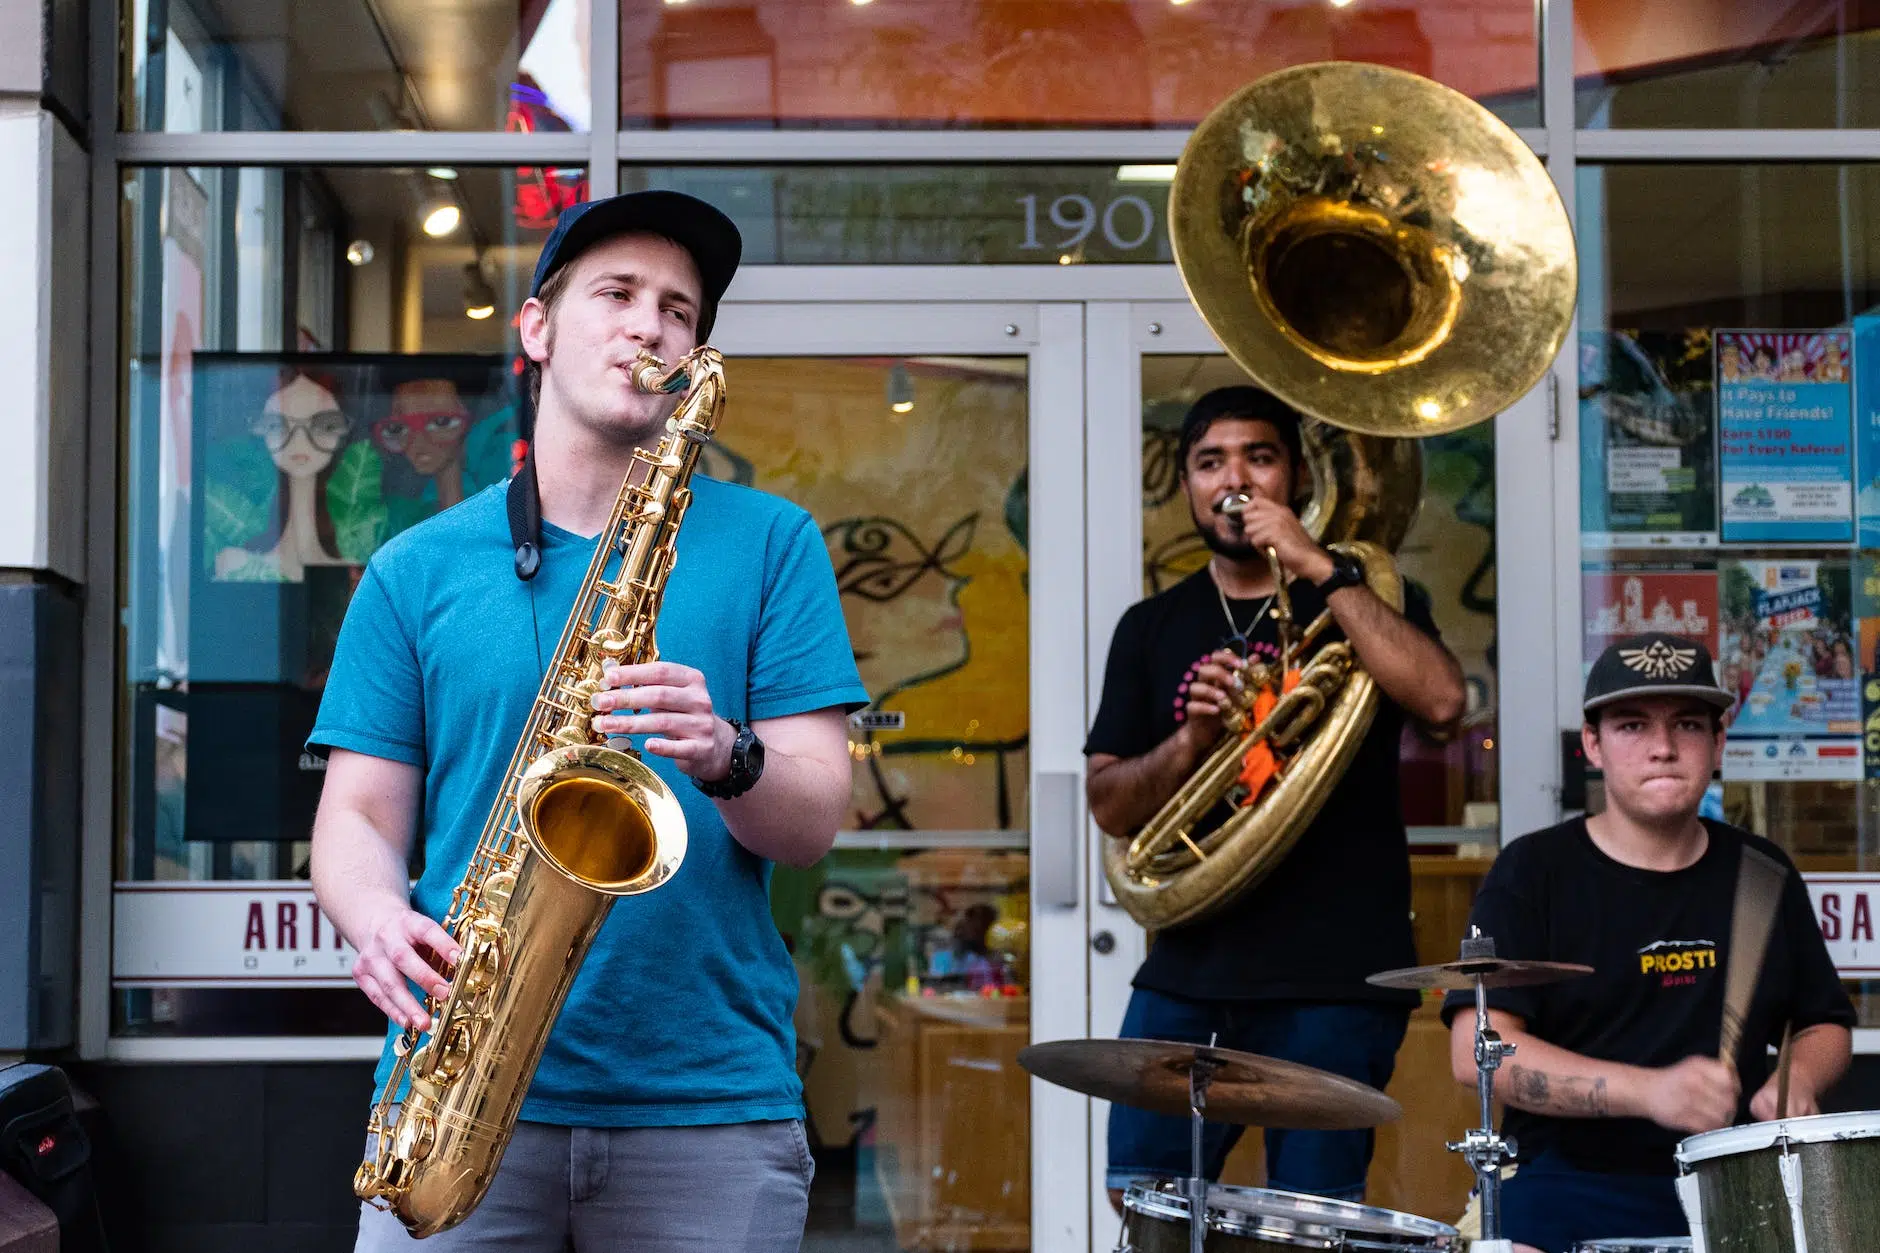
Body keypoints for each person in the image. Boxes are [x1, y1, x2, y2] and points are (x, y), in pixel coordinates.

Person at [308, 189, 868, 1252]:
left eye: (676, 308)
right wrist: (377, 920)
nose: (648, 324)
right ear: (535, 327)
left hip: (708, 1105)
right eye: (616, 293)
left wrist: (729, 754)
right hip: (455, 1092)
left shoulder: (773, 543)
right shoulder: (413, 567)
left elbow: (812, 819)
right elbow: (358, 818)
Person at [1085, 385, 1467, 1207]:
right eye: (1210, 460)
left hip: (1335, 973)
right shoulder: (1151, 627)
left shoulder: (1363, 592)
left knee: (1314, 1216)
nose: (1235, 479)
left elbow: (1442, 703)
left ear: (1292, 476)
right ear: (1186, 484)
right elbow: (1111, 808)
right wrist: (1193, 741)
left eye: (1259, 457)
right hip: (1191, 968)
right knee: (1142, 1199)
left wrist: (1321, 566)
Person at [1442, 633, 1855, 1253]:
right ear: (1592, 745)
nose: (1663, 748)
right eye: (1632, 725)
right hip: (1562, 1182)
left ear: (1718, 742)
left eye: (1687, 725)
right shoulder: (1533, 872)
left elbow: (1825, 1024)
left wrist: (1799, 1078)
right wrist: (1650, 1091)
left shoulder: (1760, 872)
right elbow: (1476, 1051)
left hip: (1731, 1179)